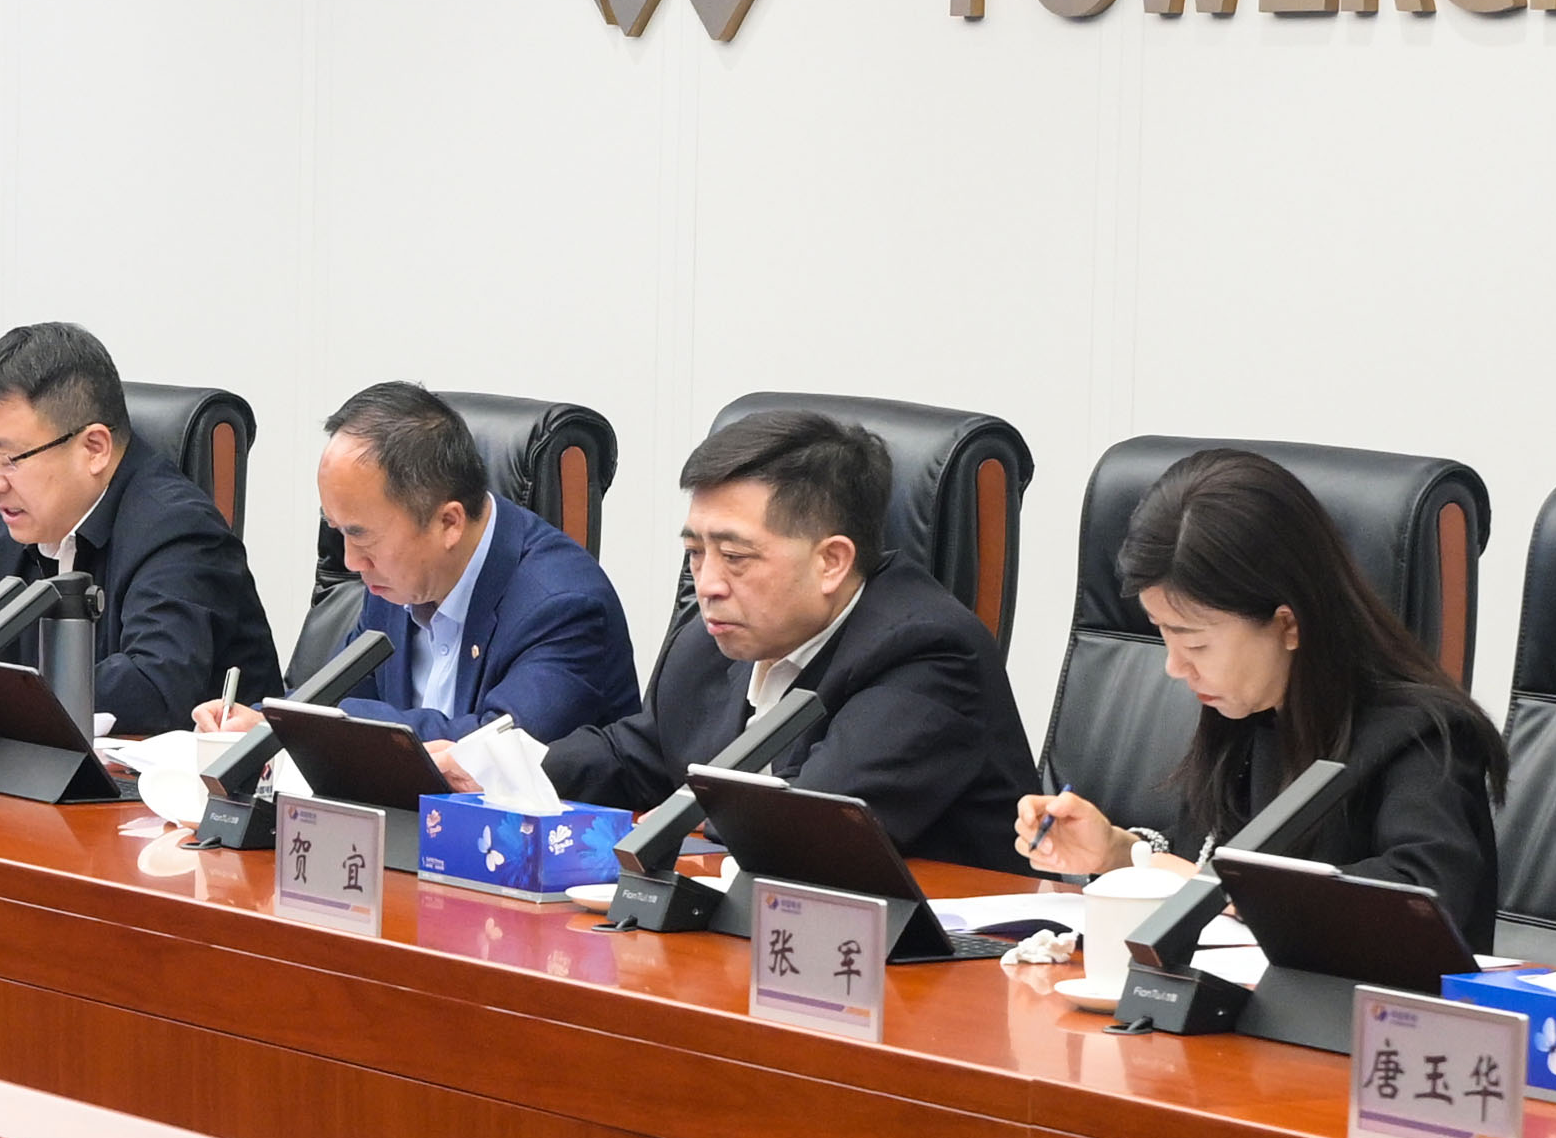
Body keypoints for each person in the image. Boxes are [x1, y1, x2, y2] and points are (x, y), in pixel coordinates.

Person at [1009, 446, 1504, 948]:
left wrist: (1221, 891)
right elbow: (1202, 858)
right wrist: (1118, 852)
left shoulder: (1422, 736)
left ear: (1287, 624)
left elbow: (1423, 900)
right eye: (1162, 633)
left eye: (1196, 644)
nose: (1174, 667)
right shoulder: (1247, 713)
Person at [527, 400, 1036, 869]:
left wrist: (685, 810)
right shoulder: (708, 641)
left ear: (831, 561)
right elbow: (632, 759)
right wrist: (507, 769)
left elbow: (807, 823)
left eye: (735, 556)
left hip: (942, 933)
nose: (707, 585)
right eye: (695, 553)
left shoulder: (928, 652)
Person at [225, 384, 634, 748]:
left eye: (361, 535)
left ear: (449, 523)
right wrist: (259, 724)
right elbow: (332, 701)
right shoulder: (392, 583)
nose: (350, 561)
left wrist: (314, 726)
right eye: (338, 532)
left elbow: (495, 751)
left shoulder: (564, 605)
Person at [0, 320, 274, 736]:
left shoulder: (179, 530)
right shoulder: (17, 525)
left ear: (94, 448)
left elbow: (154, 684)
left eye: (8, 458)